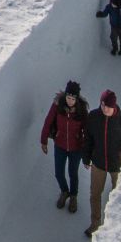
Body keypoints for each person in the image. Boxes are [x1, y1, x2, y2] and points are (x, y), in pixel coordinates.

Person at [80, 89, 121, 238]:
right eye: (103, 104)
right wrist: (86, 157)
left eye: (108, 106)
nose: (104, 108)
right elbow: (88, 139)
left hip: (117, 165)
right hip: (98, 163)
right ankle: (95, 225)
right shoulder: (93, 117)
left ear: (114, 106)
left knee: (119, 195)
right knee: (95, 194)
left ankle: (116, 226)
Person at [40, 83, 88, 214]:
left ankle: (73, 196)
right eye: (68, 98)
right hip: (60, 145)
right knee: (59, 173)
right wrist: (43, 141)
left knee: (73, 173)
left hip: (76, 148)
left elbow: (87, 130)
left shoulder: (82, 110)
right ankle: (65, 191)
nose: (70, 101)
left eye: (73, 99)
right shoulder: (58, 105)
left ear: (77, 99)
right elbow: (48, 121)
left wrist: (86, 150)